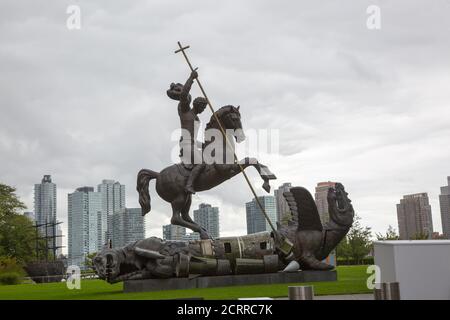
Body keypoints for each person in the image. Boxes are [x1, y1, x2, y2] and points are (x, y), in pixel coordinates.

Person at [167, 70, 207, 194]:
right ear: (197, 105)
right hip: (186, 145)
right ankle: (189, 185)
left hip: (192, 144)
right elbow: (184, 94)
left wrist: (204, 145)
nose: (203, 110)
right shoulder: (185, 110)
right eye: (203, 107)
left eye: (204, 108)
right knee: (201, 164)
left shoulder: (196, 118)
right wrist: (191, 78)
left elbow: (194, 138)